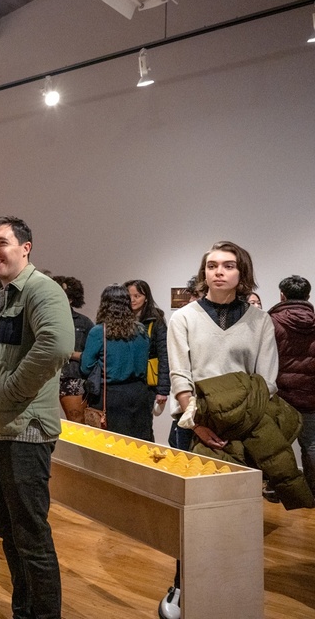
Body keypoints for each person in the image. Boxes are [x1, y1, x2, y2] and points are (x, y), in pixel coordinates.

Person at [163, 241, 306, 615]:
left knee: (238, 515)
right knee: (193, 516)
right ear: (204, 272)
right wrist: (197, 424)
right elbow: (180, 373)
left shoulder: (260, 321)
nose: (219, 271)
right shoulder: (184, 318)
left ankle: (230, 588)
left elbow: (267, 381)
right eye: (212, 265)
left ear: (242, 272)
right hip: (194, 426)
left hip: (245, 429)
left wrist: (236, 421)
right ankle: (182, 586)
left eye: (228, 265)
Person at [0, 216, 74, 619]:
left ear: (26, 247)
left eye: (2, 243)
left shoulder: (42, 290)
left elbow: (57, 345)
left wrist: (9, 391)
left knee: (31, 538)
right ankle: (24, 611)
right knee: (10, 534)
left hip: (23, 432)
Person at [81, 285, 153, 441]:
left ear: (104, 305)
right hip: (140, 394)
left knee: (111, 446)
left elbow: (86, 368)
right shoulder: (141, 330)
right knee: (140, 445)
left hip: (111, 396)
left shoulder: (99, 331)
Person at [268, 275, 315, 494]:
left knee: (278, 446)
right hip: (310, 396)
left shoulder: (271, 321)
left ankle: (280, 492)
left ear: (282, 295)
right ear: (308, 296)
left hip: (281, 396)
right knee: (312, 444)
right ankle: (312, 491)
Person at [51, 276, 94, 424]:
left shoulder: (84, 323)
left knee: (77, 423)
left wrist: (69, 353)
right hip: (46, 377)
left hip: (72, 378)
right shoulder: (43, 318)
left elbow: (92, 355)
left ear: (70, 298)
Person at [125, 279, 170, 416]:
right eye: (128, 296)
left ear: (146, 298)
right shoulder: (119, 319)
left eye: (137, 296)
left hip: (147, 383)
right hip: (123, 381)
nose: (132, 300)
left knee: (143, 424)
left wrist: (162, 389)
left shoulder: (156, 320)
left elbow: (164, 354)